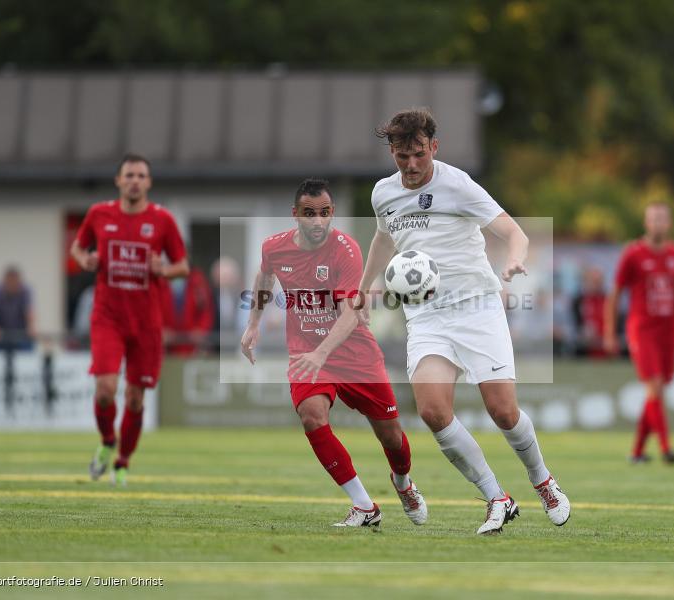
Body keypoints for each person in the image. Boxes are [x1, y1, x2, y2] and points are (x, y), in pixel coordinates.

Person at [355, 108, 570, 535]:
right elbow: (384, 237)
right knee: (433, 411)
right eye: (402, 156)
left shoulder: (457, 185)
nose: (411, 165)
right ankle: (497, 497)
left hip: (477, 307)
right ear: (393, 153)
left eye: (419, 154)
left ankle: (543, 481)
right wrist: (365, 287)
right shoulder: (383, 193)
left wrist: (513, 261)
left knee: (503, 412)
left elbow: (515, 233)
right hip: (427, 314)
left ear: (434, 147)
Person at [241, 178, 427, 528]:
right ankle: (364, 506)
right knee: (312, 415)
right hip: (306, 352)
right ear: (295, 215)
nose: (317, 221)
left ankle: (403, 483)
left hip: (354, 354)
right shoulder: (274, 247)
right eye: (309, 214)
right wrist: (253, 323)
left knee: (391, 436)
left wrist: (322, 353)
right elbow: (265, 277)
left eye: (324, 213)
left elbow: (351, 314)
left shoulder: (346, 249)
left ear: (333, 214)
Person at [71, 154, 188, 486]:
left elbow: (182, 266)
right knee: (106, 389)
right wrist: (86, 260)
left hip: (146, 323)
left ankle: (122, 462)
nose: (135, 180)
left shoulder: (162, 220)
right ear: (118, 181)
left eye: (141, 175)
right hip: (108, 317)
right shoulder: (99, 214)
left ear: (148, 182)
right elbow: (77, 249)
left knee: (136, 398)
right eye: (129, 175)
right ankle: (108, 441)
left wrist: (161, 269)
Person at [604, 203, 674, 465]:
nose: (657, 223)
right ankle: (666, 447)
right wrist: (609, 331)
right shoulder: (633, 254)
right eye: (653, 219)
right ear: (646, 223)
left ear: (668, 224)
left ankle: (636, 452)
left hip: (668, 331)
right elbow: (614, 294)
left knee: (656, 391)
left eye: (662, 219)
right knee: (655, 385)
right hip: (642, 328)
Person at [160, 266, 214, 356]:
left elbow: (206, 310)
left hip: (192, 347)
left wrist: (201, 330)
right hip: (166, 348)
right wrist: (160, 331)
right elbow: (154, 309)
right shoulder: (160, 279)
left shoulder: (197, 280)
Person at [0, 266, 35, 352]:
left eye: (15, 282)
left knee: (26, 357)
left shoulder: (25, 291)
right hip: (2, 334)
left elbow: (29, 312)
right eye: (10, 282)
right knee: (1, 359)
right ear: (5, 281)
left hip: (21, 333)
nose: (12, 285)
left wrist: (30, 327)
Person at [572, 266, 607, 357]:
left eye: (598, 282)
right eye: (593, 281)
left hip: (605, 346)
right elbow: (574, 323)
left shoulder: (607, 300)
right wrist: (582, 332)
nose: (595, 285)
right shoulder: (578, 301)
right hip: (584, 347)